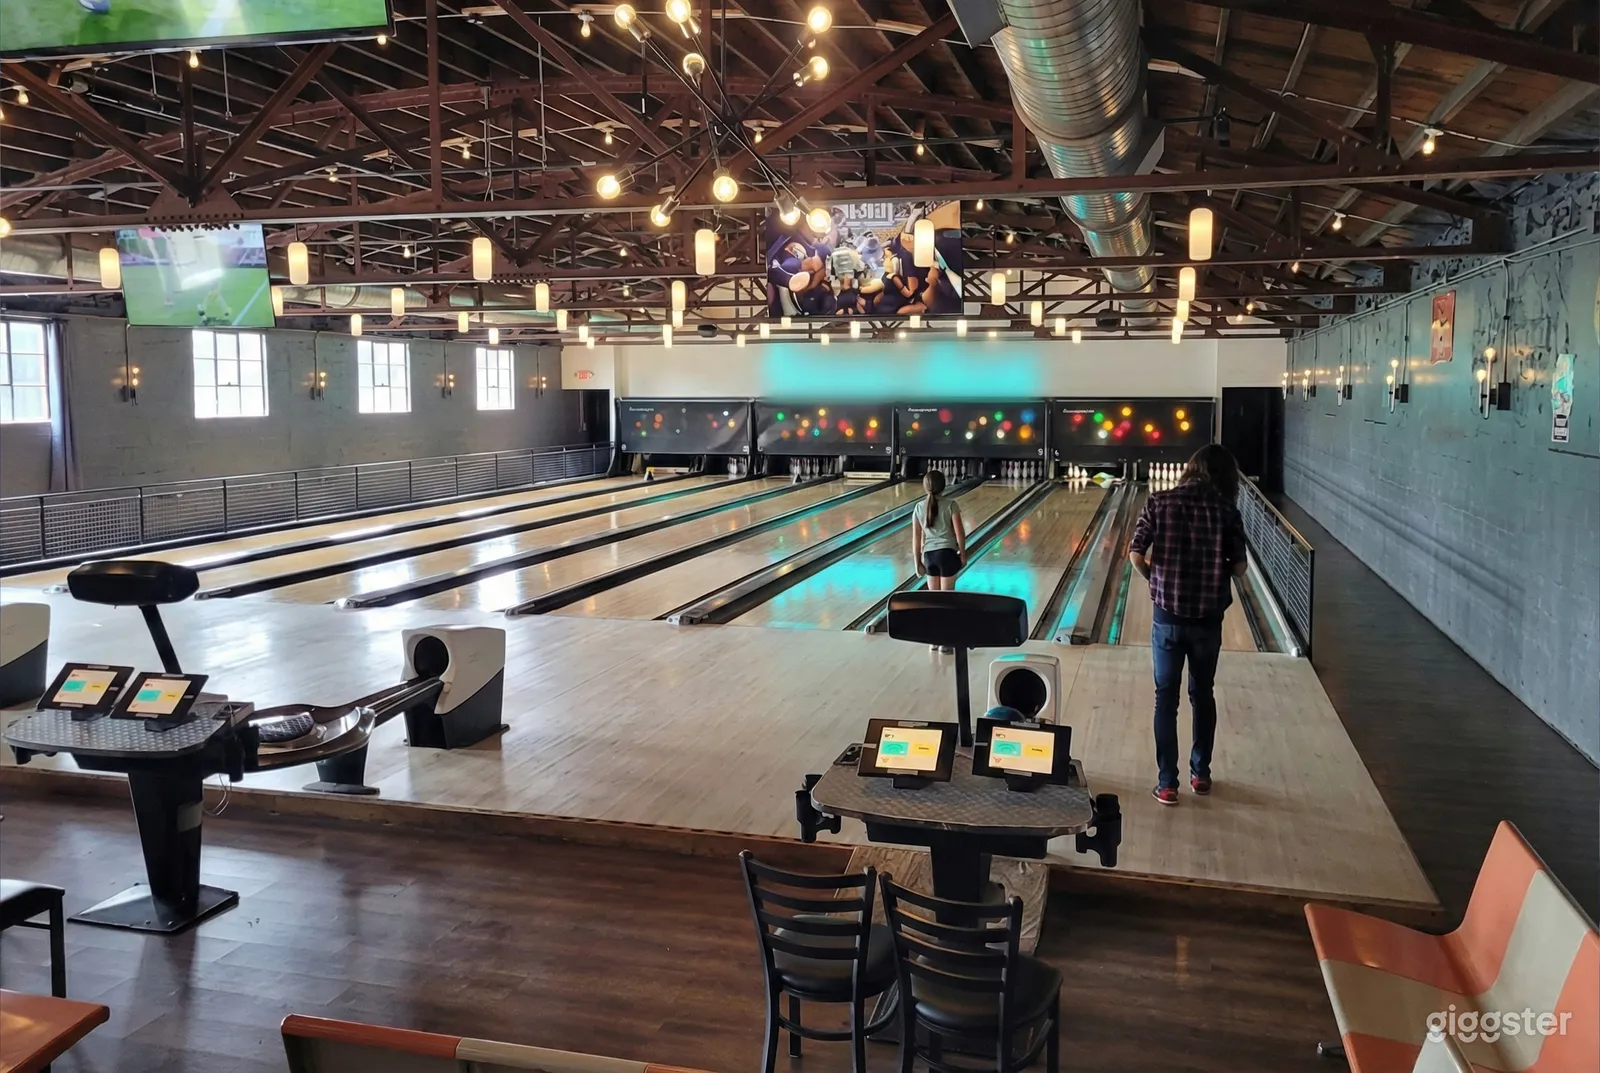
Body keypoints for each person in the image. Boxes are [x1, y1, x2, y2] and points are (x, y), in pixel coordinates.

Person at [1128, 444, 1248, 806]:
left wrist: (1155, 579)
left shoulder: (1159, 502)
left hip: (1167, 619)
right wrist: (1219, 566)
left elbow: (1135, 554)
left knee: (1165, 699)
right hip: (1208, 621)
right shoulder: (1227, 510)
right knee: (1202, 694)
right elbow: (1240, 568)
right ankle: (1201, 775)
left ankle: (1167, 783)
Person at [912, 469, 967, 653]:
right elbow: (960, 534)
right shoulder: (951, 504)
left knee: (934, 601)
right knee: (947, 600)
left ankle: (934, 640)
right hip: (947, 555)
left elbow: (916, 538)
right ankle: (946, 641)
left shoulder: (919, 507)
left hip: (929, 557)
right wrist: (963, 555)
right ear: (944, 486)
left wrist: (917, 563)